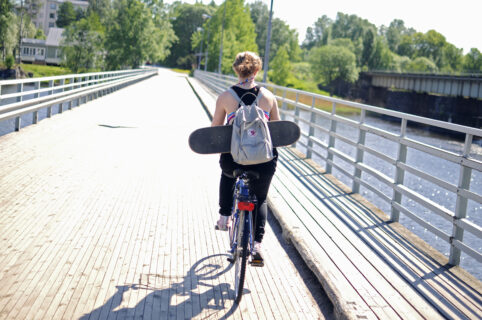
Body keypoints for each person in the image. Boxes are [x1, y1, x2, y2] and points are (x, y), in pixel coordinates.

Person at [211, 51, 280, 266]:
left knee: (227, 174)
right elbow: (277, 131)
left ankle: (224, 217)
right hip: (263, 161)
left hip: (235, 159)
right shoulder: (269, 97)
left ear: (236, 70)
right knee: (260, 199)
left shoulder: (225, 97)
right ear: (257, 70)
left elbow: (215, 131)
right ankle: (257, 245)